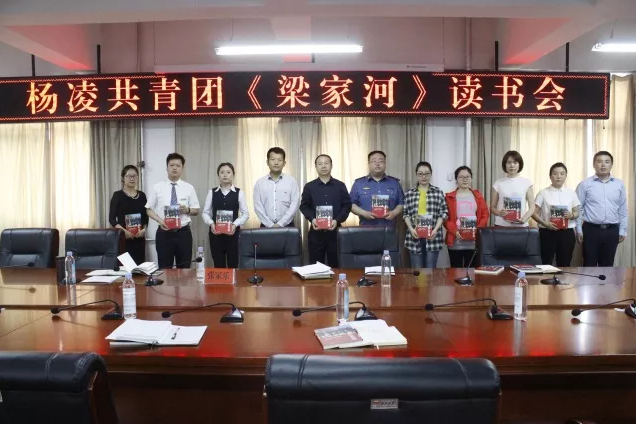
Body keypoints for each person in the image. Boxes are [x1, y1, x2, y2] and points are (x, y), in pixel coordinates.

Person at [146, 153, 200, 269]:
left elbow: (196, 210)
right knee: (165, 269)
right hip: (164, 233)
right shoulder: (158, 187)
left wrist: (187, 210)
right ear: (167, 168)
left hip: (183, 233)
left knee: (184, 269)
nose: (174, 168)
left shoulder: (189, 188)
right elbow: (148, 209)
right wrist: (160, 221)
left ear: (182, 168)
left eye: (178, 165)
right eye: (171, 165)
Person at [576, 151, 628, 267]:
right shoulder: (585, 184)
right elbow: (578, 208)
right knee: (589, 265)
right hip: (591, 230)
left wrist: (622, 230)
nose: (603, 165)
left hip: (612, 230)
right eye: (599, 161)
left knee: (607, 266)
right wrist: (579, 229)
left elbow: (623, 209)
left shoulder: (619, 184)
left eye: (607, 162)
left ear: (611, 165)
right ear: (594, 164)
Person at [299, 154, 352, 267]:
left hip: (335, 231)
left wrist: (337, 220)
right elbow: (304, 206)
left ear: (331, 166)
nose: (323, 166)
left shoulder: (340, 185)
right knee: (316, 267)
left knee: (336, 265)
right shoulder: (309, 186)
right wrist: (312, 219)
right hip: (316, 232)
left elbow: (347, 205)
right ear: (316, 167)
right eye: (320, 164)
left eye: (326, 163)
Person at [532, 163, 580, 267]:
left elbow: (577, 212)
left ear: (566, 176)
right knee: (546, 263)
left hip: (566, 233)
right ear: (550, 176)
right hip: (547, 232)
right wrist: (545, 223)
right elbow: (533, 212)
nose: (559, 176)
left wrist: (571, 215)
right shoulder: (543, 193)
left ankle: (563, 278)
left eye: (562, 174)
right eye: (555, 173)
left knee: (565, 263)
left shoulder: (571, 193)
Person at [202, 163, 249, 269]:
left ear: (233, 175)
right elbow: (205, 212)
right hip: (215, 235)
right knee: (218, 265)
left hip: (233, 234)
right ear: (218, 175)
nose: (225, 175)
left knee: (233, 265)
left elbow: (245, 214)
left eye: (228, 172)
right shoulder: (212, 192)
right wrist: (211, 223)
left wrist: (235, 224)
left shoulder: (239, 192)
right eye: (222, 172)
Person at [403, 162, 448, 268]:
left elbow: (444, 213)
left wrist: (435, 230)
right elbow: (405, 214)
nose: (424, 176)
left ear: (431, 174)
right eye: (420, 174)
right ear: (416, 174)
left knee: (430, 270)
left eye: (427, 173)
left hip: (433, 237)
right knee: (417, 271)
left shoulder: (438, 192)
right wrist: (411, 229)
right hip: (414, 236)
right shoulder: (409, 193)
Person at [444, 166, 489, 268]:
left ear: (471, 178)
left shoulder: (478, 196)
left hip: (473, 242)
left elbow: (485, 214)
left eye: (467, 177)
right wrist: (455, 231)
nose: (464, 179)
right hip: (455, 242)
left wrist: (477, 229)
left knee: (472, 272)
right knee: (456, 273)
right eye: (461, 177)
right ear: (456, 179)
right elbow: (445, 218)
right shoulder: (449, 197)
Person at [350, 151, 404, 226]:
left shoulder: (395, 183)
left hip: (389, 229)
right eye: (374, 161)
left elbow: (401, 203)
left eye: (381, 161)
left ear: (385, 164)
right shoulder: (358, 183)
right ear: (368, 164)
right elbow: (351, 204)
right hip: (366, 228)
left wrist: (394, 213)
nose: (377, 164)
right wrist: (364, 213)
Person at [108, 165, 148, 265]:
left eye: (135, 176)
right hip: (124, 239)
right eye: (129, 176)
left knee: (139, 269)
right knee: (126, 269)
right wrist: (123, 231)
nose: (132, 178)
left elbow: (145, 217)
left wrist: (144, 229)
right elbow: (112, 219)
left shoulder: (142, 196)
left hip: (139, 239)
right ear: (123, 178)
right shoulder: (117, 195)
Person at [253, 147, 300, 228]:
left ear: (284, 163)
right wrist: (270, 225)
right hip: (265, 226)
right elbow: (258, 206)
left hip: (287, 226)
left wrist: (280, 223)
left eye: (279, 160)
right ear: (267, 162)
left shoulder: (291, 181)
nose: (276, 162)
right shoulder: (259, 183)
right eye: (273, 159)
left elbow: (295, 204)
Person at [491, 150, 535, 227]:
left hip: (521, 225)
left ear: (519, 164)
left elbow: (532, 207)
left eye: (515, 162)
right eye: (509, 162)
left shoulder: (527, 183)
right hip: (501, 225)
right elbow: (492, 207)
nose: (512, 165)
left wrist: (524, 219)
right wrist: (499, 213)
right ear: (505, 165)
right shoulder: (498, 183)